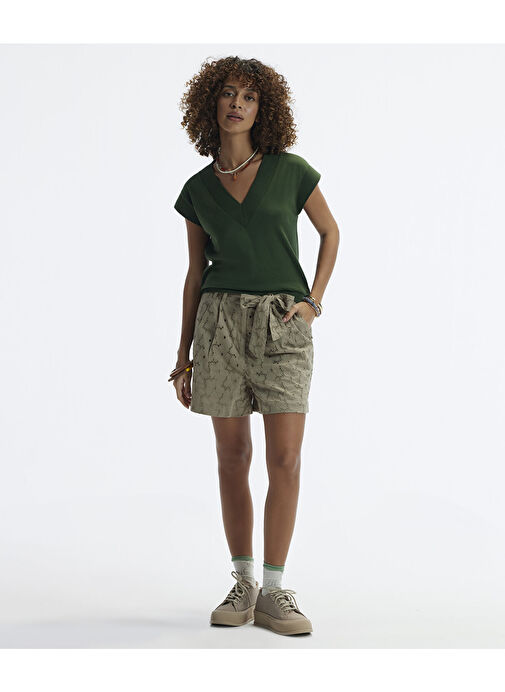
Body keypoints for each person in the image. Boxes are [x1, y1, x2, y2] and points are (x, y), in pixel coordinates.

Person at [170, 56, 340, 636]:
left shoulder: (290, 171)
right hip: (218, 325)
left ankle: (274, 589)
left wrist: (312, 301)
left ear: (263, 108)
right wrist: (183, 355)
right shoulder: (197, 190)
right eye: (227, 93)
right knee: (232, 457)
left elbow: (330, 231)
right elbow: (194, 274)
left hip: (281, 324)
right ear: (211, 105)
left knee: (285, 458)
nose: (237, 103)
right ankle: (242, 583)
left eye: (248, 96)